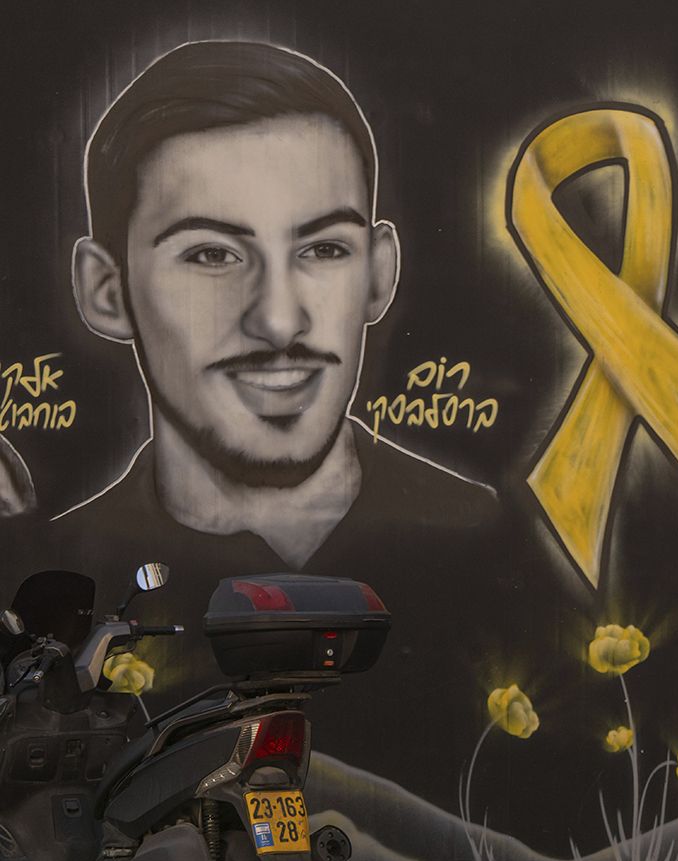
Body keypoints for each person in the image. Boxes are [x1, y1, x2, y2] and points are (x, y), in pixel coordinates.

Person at [53, 40, 495, 572]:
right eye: (212, 255)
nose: (280, 322)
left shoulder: (490, 539)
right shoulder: (60, 572)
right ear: (107, 291)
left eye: (324, 249)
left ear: (379, 276)